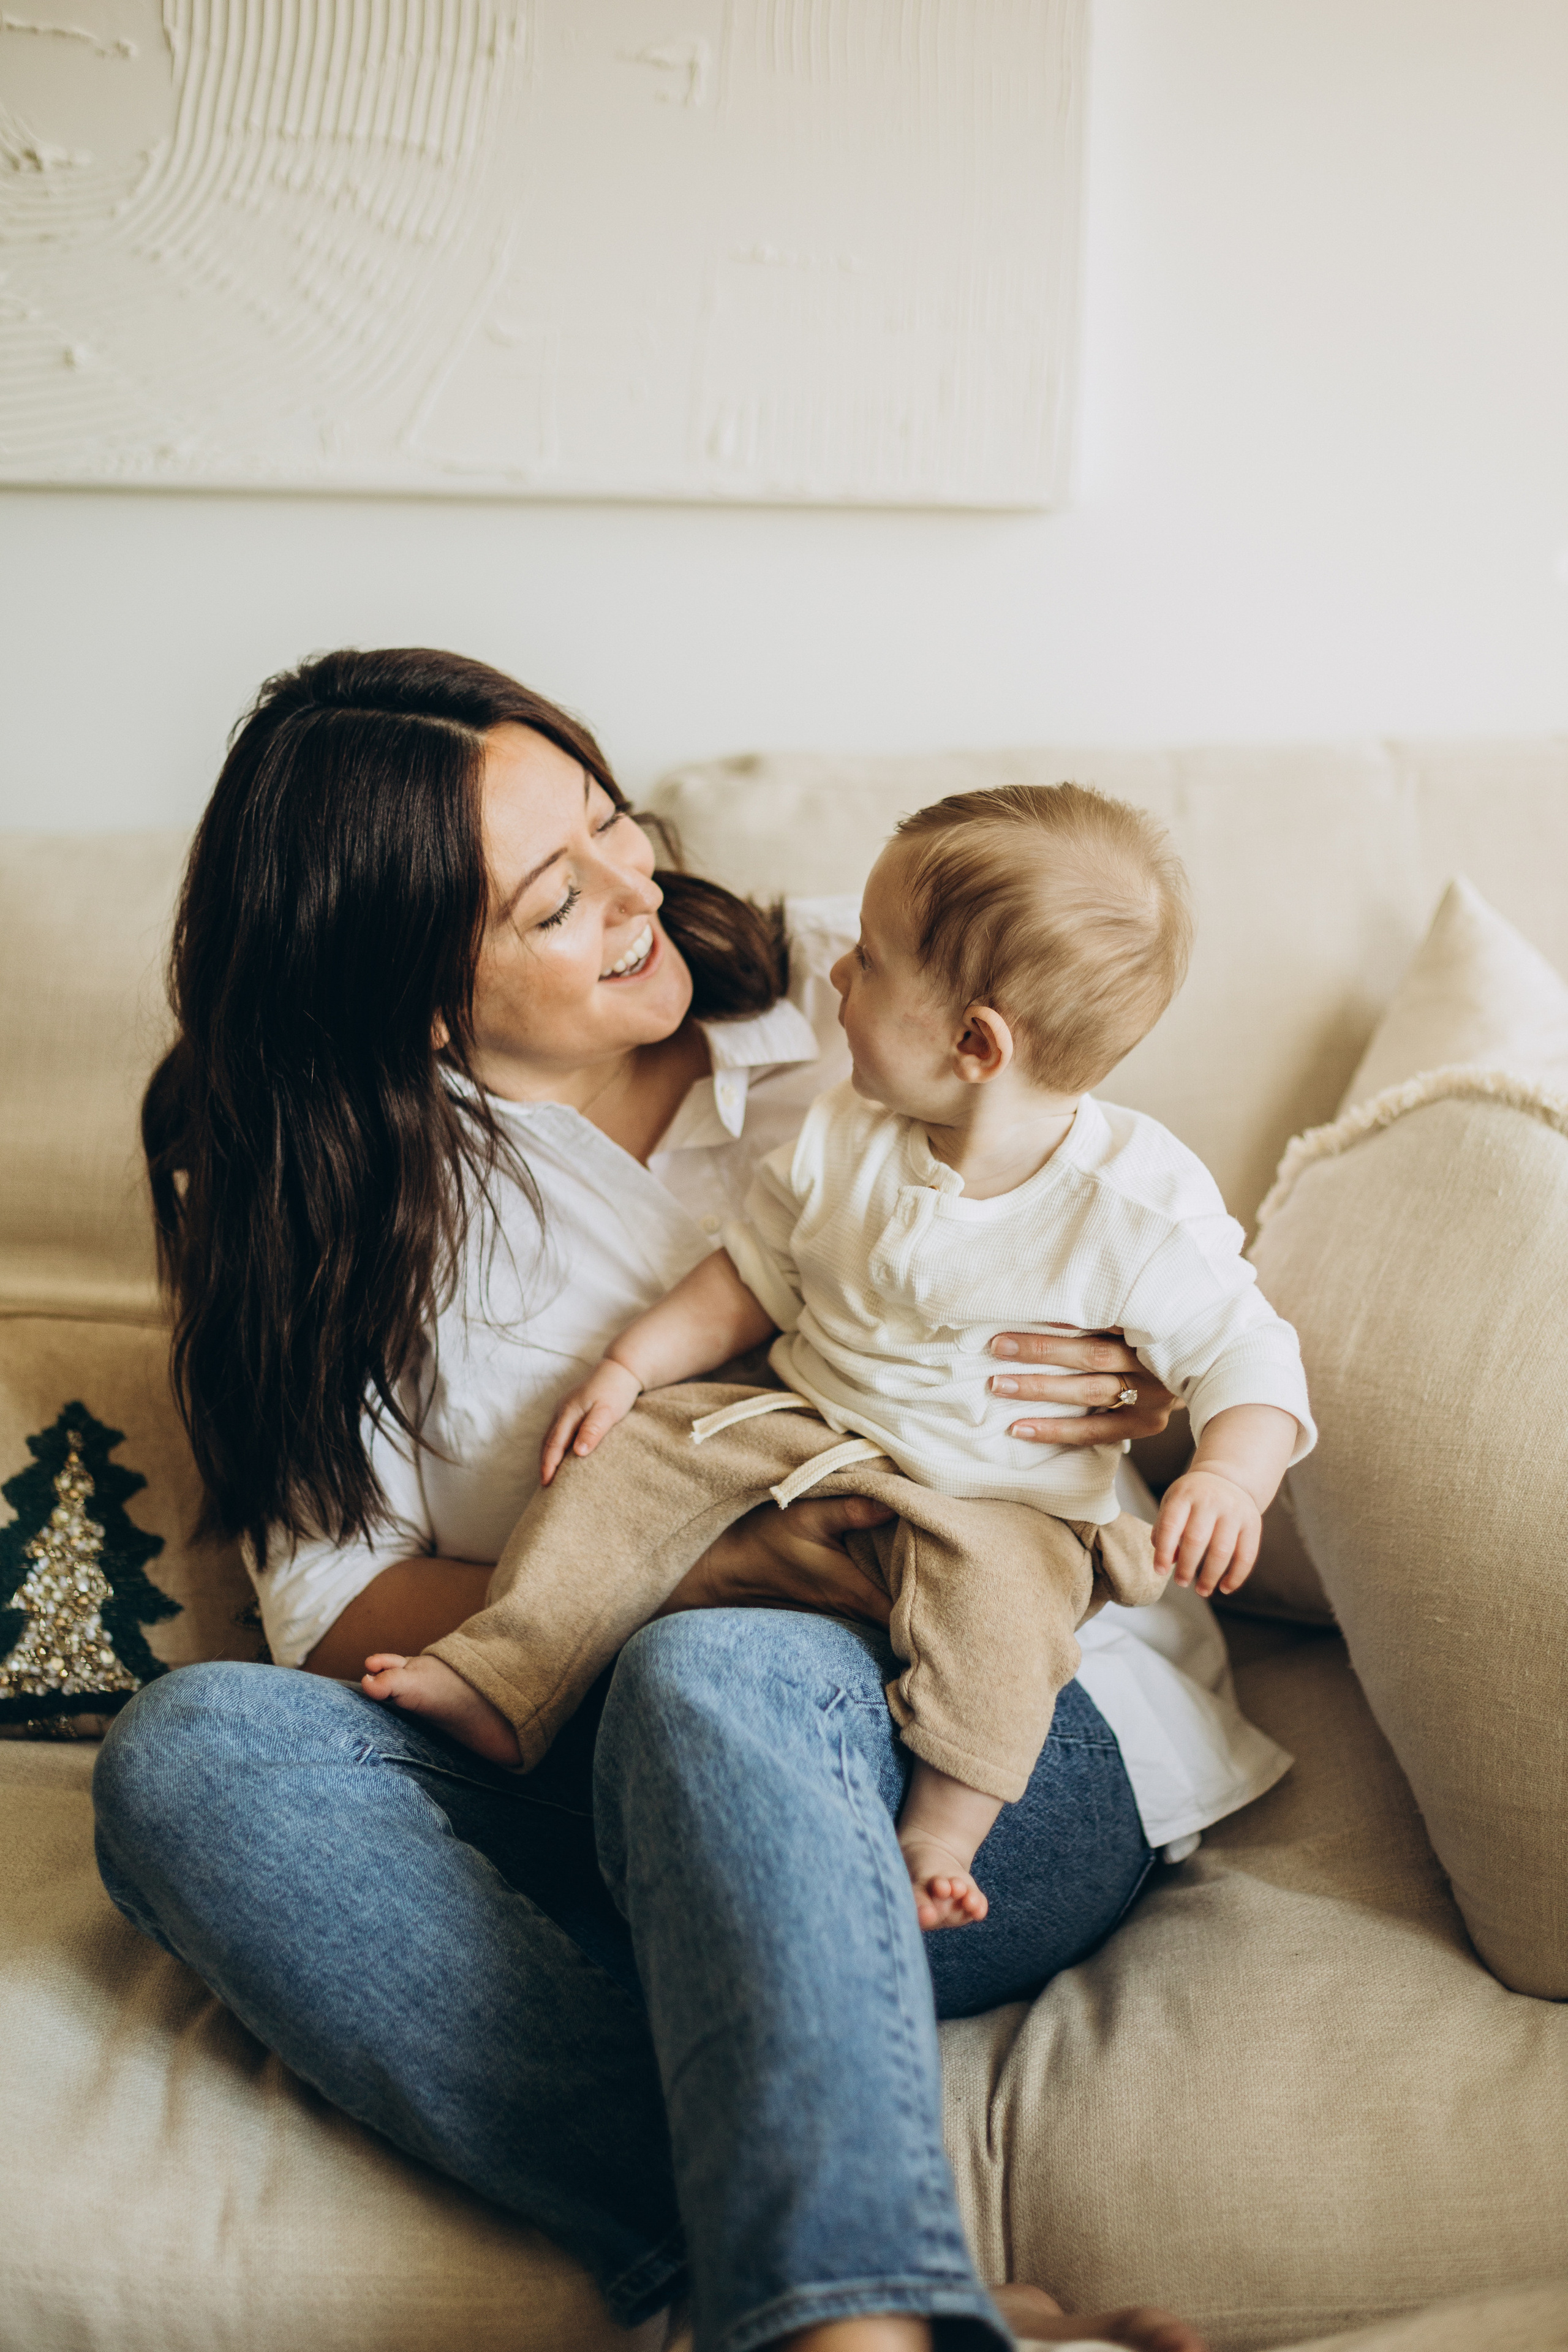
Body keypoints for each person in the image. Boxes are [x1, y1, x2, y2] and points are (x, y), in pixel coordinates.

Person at [89, 647, 1276, 2352]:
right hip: (567, 1757)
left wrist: (1156, 1393)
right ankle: (879, 2288)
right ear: (421, 998)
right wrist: (698, 1570)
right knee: (189, 1758)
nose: (641, 887)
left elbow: (1135, 1232)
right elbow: (334, 1613)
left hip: (981, 1742)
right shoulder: (308, 1198)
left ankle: (839, 2324)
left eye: (609, 818)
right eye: (558, 902)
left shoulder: (851, 979)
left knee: (719, 1681)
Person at [361, 784, 1313, 1929]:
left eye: (867, 963)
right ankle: (509, 1676)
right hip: (808, 1436)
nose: (836, 979)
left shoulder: (1136, 1205)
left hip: (996, 1500)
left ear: (974, 1043)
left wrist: (1226, 1473)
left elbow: (1248, 1353)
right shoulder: (850, 1136)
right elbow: (751, 1277)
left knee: (1004, 1621)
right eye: (561, 897)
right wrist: (631, 1367)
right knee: (626, 1462)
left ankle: (940, 1834)